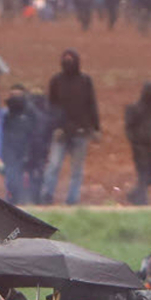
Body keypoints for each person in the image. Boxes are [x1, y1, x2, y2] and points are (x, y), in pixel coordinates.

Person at [43, 50, 99, 205]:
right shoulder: (56, 81)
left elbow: (91, 104)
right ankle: (47, 196)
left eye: (70, 60)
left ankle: (72, 200)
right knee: (53, 166)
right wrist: (54, 127)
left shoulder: (85, 81)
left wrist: (95, 128)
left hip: (80, 132)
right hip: (60, 132)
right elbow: (51, 107)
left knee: (77, 170)